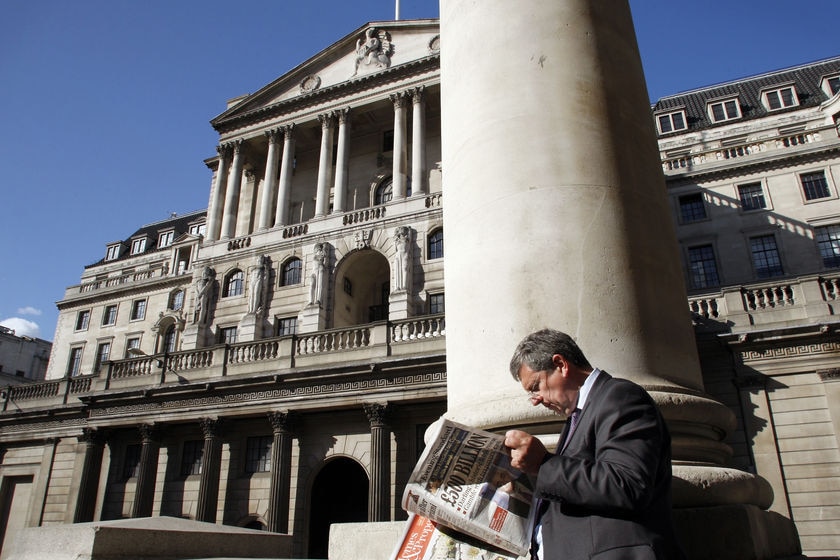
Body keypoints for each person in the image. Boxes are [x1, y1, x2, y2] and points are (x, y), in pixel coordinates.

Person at [504, 329, 685, 560]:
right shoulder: (577, 417)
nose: (536, 400)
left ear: (560, 364)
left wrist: (543, 464)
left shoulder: (620, 396)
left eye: (536, 387)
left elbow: (628, 484)